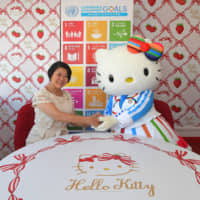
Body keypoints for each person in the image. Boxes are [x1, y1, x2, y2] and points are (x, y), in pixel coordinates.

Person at [26, 61, 101, 145]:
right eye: (59, 75)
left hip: (61, 140)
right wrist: (88, 119)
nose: (62, 79)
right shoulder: (41, 94)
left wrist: (92, 121)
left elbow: (73, 120)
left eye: (66, 76)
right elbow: (57, 116)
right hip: (41, 139)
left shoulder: (67, 95)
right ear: (51, 74)